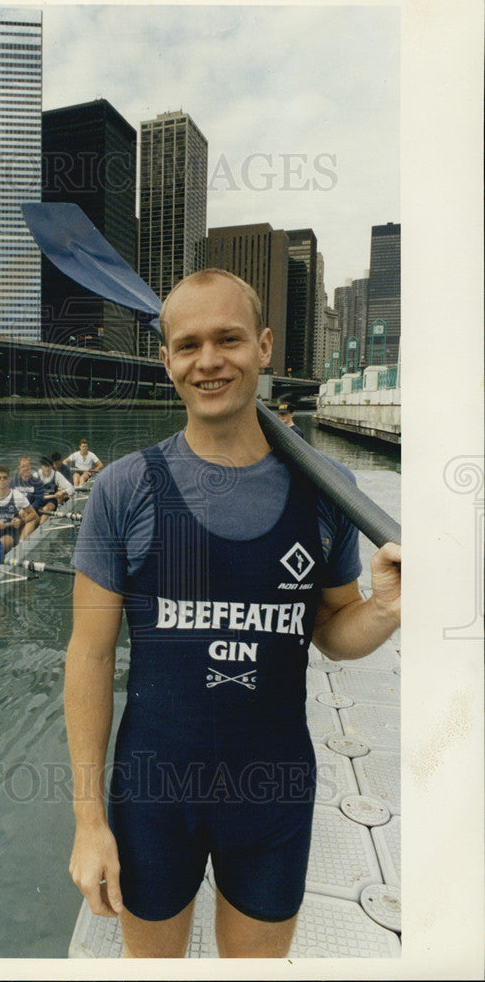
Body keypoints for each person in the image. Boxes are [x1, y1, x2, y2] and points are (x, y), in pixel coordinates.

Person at [64, 268, 401, 959]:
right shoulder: (125, 489)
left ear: (265, 346)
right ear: (166, 360)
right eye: (188, 345)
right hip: (153, 792)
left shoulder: (326, 491)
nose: (209, 360)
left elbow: (335, 632)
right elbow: (89, 657)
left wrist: (387, 610)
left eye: (229, 339)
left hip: (273, 794)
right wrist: (88, 820)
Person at [0, 465, 38, 551]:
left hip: (11, 532)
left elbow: (33, 514)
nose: (2, 480)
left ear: (9, 479)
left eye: (5, 478)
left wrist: (21, 521)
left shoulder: (17, 495)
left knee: (5, 541)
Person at [36, 455, 75, 522]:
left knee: (46, 508)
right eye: (45, 467)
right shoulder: (36, 475)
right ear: (41, 467)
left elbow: (71, 488)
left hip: (51, 500)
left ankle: (40, 526)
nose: (47, 469)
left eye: (49, 467)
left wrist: (63, 492)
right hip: (39, 500)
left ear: (52, 466)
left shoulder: (56, 475)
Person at [11, 456, 46, 521]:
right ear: (19, 468)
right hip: (16, 512)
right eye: (23, 466)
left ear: (31, 467)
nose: (26, 468)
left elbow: (38, 501)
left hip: (32, 513)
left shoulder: (38, 482)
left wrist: (26, 510)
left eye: (28, 466)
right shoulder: (13, 483)